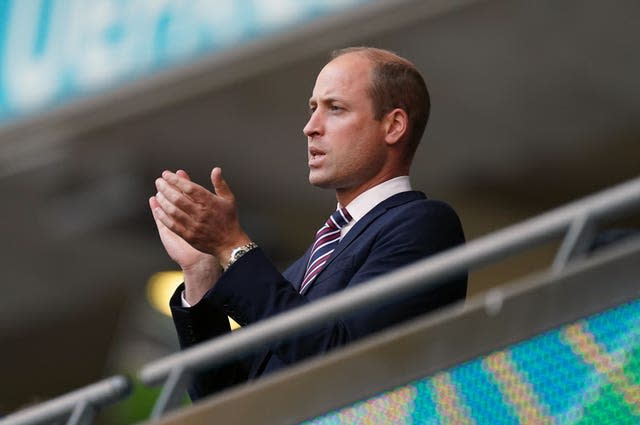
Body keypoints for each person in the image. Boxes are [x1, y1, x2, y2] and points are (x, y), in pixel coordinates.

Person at [149, 47, 467, 399]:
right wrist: (201, 271)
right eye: (313, 108)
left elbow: (345, 361)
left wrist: (231, 245)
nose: (310, 128)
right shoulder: (301, 269)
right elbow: (224, 400)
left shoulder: (422, 224)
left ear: (393, 126)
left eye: (336, 108)